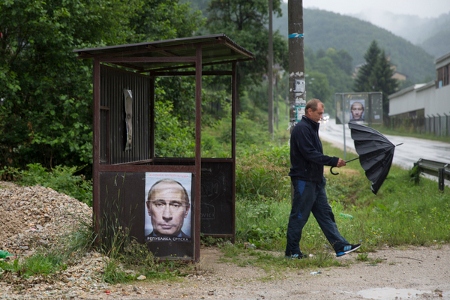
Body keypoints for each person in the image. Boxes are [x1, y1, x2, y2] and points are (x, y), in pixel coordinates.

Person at [286, 99, 360, 258]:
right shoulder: (302, 129)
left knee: (326, 215)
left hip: (316, 181)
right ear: (309, 111)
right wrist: (333, 161)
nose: (321, 116)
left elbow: (314, 154)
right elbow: (310, 154)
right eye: (319, 113)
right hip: (304, 180)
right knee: (299, 216)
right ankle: (292, 252)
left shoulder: (311, 128)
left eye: (321, 113)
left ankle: (340, 246)